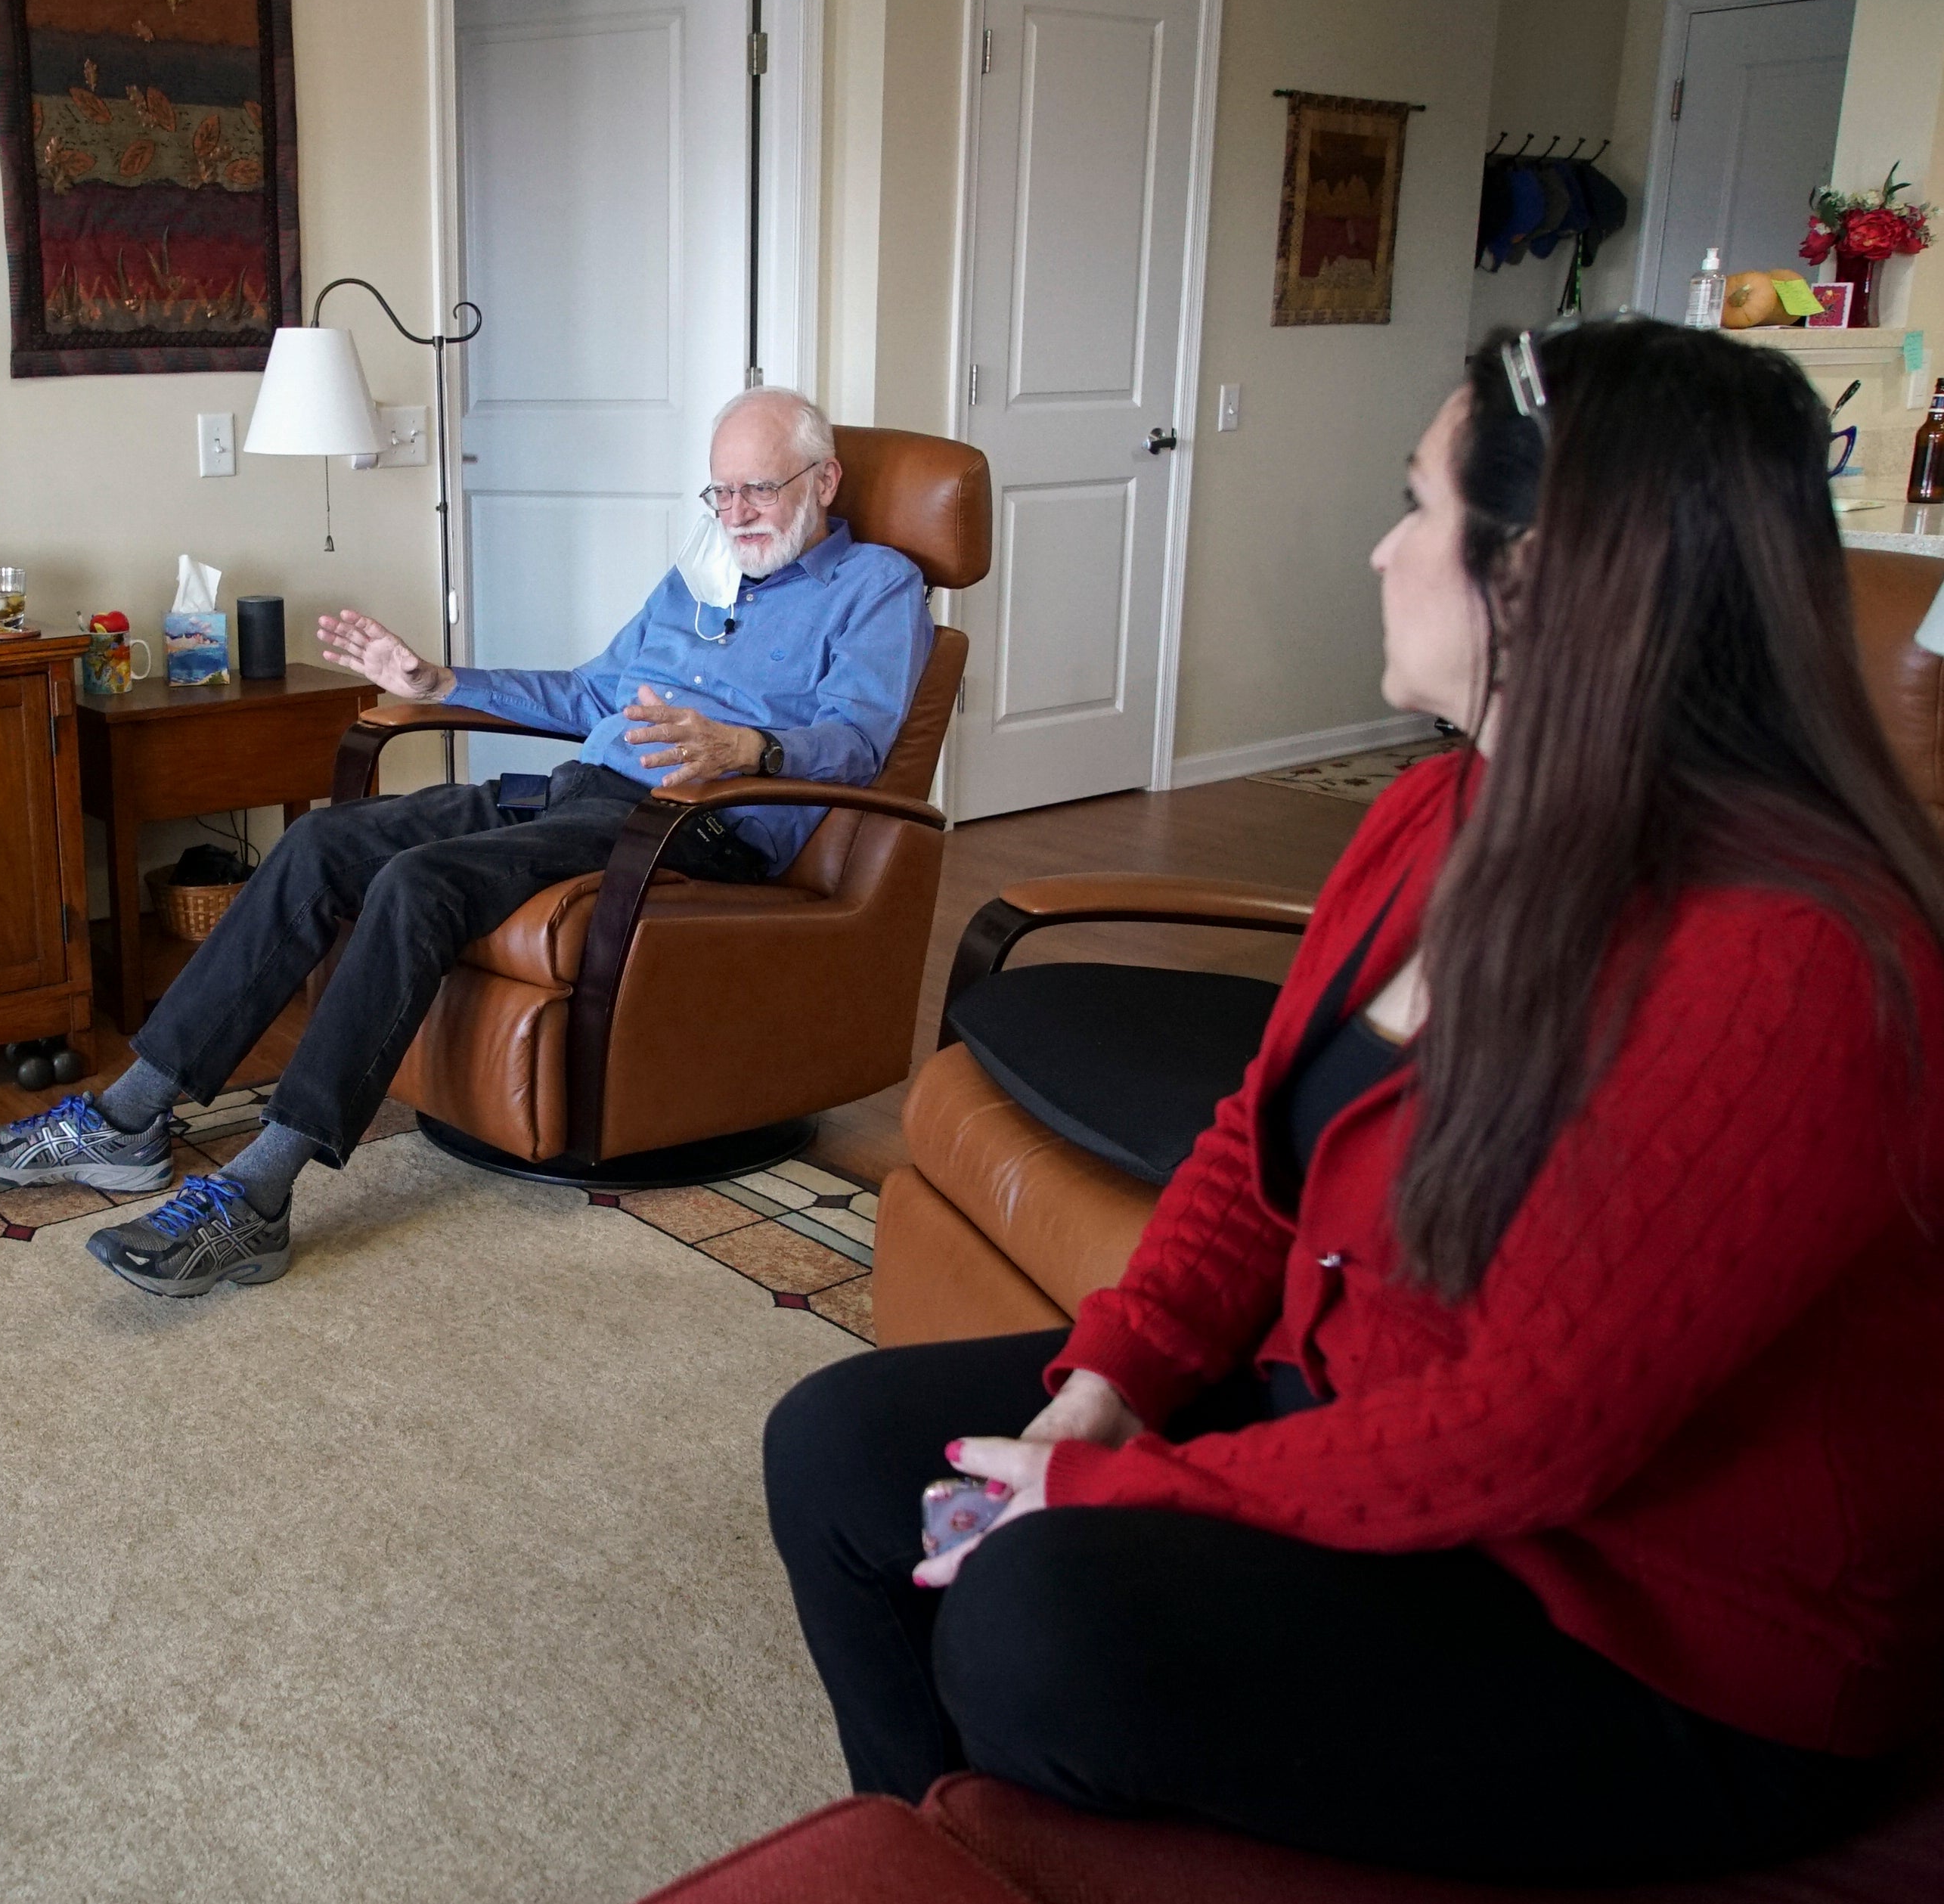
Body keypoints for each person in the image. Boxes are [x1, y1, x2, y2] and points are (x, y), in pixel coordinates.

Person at [761, 319, 1944, 1884]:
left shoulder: (1793, 960)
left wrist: (1122, 1484)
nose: (1379, 548)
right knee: (841, 1447)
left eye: (1417, 505)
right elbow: (1256, 1152)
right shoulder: (1433, 812)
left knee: (1038, 1619)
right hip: (1356, 1425)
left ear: (1538, 574)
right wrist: (1103, 1381)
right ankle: (962, 1859)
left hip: (1640, 1631)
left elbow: (1525, 1434)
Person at [0, 387, 935, 1295]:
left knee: (420, 882)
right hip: (579, 795)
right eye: (718, 491)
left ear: (824, 481)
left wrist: (746, 744)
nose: (735, 512)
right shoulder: (700, 576)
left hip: (690, 827)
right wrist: (436, 681)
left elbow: (857, 741)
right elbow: (590, 691)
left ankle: (257, 1193)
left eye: (757, 488)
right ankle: (126, 1119)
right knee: (320, 845)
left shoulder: (875, 585)